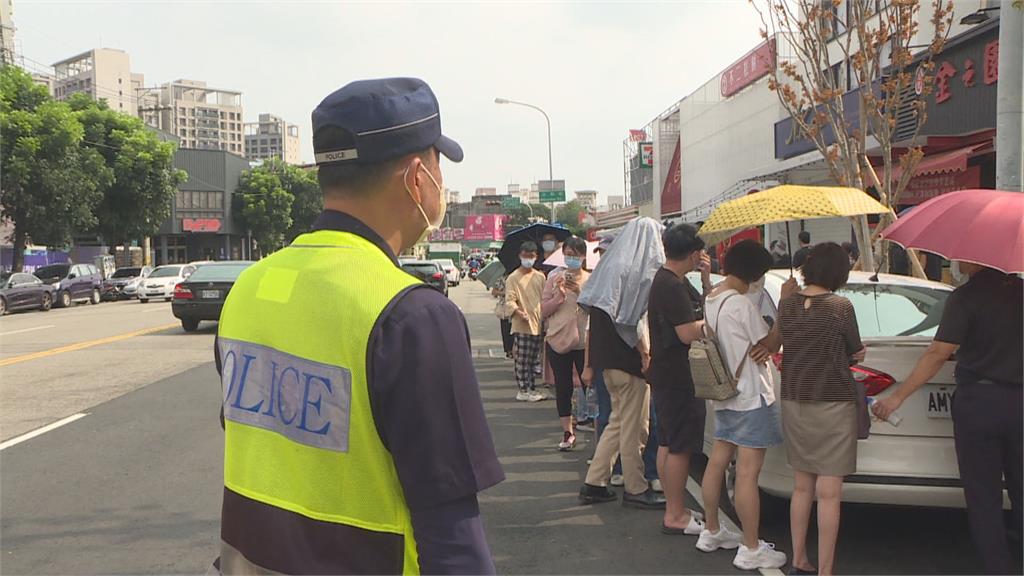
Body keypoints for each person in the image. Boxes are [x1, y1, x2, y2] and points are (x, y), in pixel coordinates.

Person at [214, 77, 503, 574]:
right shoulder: (412, 315)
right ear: (418, 178)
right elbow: (450, 525)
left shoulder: (248, 289)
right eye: (439, 166)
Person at [873, 264, 1022, 575]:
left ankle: (1000, 568)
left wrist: (898, 397)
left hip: (979, 402)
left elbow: (939, 352)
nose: (957, 263)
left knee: (984, 494)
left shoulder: (966, 297)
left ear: (977, 258)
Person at [752, 242, 865, 576]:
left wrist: (787, 296)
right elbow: (854, 351)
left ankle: (798, 558)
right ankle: (825, 570)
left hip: (795, 401)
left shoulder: (787, 306)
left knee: (802, 486)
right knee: (829, 493)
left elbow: (771, 345)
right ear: (839, 272)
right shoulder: (840, 307)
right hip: (833, 404)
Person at [698, 240, 790, 571]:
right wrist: (786, 303)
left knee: (717, 461)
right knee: (749, 474)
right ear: (755, 274)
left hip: (725, 393)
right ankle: (751, 547)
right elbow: (770, 342)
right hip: (751, 395)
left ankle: (711, 530)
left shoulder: (712, 298)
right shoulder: (740, 305)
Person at [577, 218, 666, 509]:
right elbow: (633, 320)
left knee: (616, 423)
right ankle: (636, 488)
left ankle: (595, 481)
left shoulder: (607, 267)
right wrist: (645, 354)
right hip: (628, 363)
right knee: (633, 428)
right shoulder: (637, 271)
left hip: (607, 362)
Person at [646, 223, 711, 535]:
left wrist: (708, 281)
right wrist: (712, 323)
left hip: (667, 374)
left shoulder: (670, 280)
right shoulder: (671, 285)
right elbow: (686, 332)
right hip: (677, 375)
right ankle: (675, 514)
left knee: (669, 442)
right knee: (680, 447)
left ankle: (676, 507)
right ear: (694, 254)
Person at [542, 236, 590, 451]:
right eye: (567, 254)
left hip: (584, 341)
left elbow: (596, 310)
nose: (571, 259)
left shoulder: (591, 279)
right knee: (563, 386)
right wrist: (558, 297)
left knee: (590, 385)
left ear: (583, 256)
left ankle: (592, 422)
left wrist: (580, 293)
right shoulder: (554, 277)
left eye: (575, 255)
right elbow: (543, 310)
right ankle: (567, 431)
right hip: (559, 338)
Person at [505, 241, 547, 402]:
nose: (528, 259)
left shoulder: (540, 277)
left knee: (533, 360)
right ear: (520, 256)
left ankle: (531, 388)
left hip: (538, 322)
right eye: (525, 256)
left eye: (531, 256)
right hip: (521, 323)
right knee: (522, 359)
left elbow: (544, 298)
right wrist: (517, 311)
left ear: (536, 257)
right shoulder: (513, 278)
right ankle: (523, 389)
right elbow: (509, 300)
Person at [491, 275, 514, 359]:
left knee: (514, 330)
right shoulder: (501, 279)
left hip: (516, 307)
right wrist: (504, 293)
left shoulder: (517, 277)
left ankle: (513, 349)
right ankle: (508, 350)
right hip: (504, 308)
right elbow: (494, 292)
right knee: (505, 329)